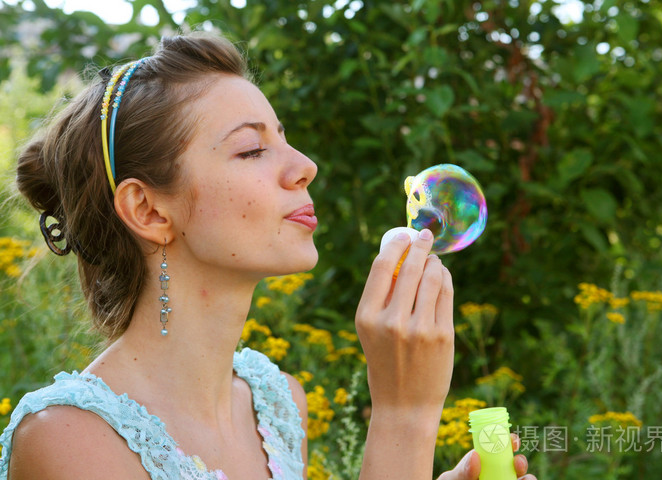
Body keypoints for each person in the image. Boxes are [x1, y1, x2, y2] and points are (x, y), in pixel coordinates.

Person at [0, 33, 536, 480]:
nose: (305, 166)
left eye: (284, 139)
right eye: (252, 149)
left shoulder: (276, 404)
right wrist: (404, 416)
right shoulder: (69, 442)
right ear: (149, 210)